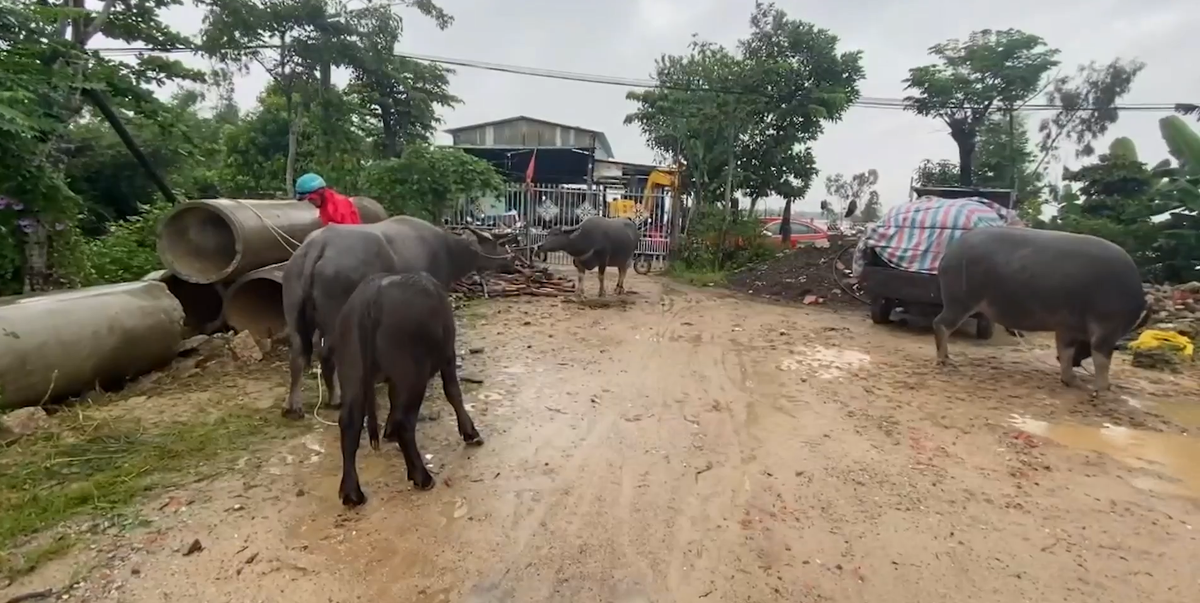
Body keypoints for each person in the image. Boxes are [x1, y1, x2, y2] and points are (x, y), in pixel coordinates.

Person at [295, 172, 362, 226]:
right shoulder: (324, 205)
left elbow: (349, 232)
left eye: (311, 199)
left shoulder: (340, 205)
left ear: (319, 193)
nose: (310, 202)